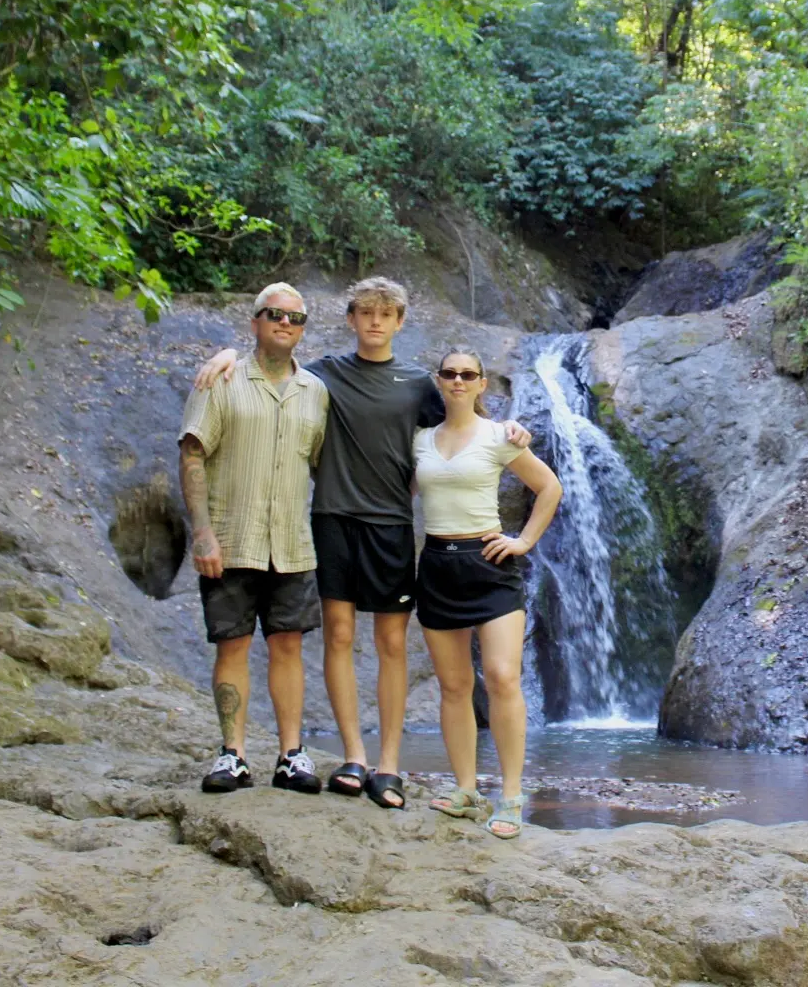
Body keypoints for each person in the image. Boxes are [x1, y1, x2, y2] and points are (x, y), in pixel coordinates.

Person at [192, 277, 529, 810]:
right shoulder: (324, 375)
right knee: (340, 636)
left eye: (387, 313)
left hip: (391, 525)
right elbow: (274, 360)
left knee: (393, 644)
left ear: (399, 322)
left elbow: (462, 422)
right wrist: (228, 353)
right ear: (350, 319)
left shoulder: (422, 385)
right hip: (331, 521)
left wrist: (509, 428)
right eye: (366, 312)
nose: (375, 321)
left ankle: (389, 764)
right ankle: (354, 755)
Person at [178, 282, 329, 795]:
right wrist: (202, 533)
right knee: (232, 645)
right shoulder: (219, 380)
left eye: (296, 317)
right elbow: (193, 454)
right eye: (274, 314)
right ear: (255, 322)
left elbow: (327, 465)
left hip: (291, 542)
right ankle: (233, 755)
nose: (285, 323)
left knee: (288, 646)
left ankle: (291, 754)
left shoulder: (316, 392)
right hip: (232, 537)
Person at [415, 348, 561, 840]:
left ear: (481, 385)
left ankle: (513, 795)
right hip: (437, 563)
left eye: (468, 374)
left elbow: (549, 487)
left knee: (501, 677)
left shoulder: (501, 435)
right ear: (439, 381)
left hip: (491, 564)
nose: (458, 380)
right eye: (450, 373)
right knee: (455, 686)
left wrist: (523, 540)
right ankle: (465, 790)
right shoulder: (420, 440)